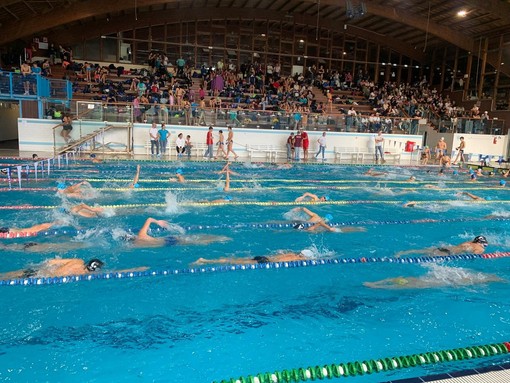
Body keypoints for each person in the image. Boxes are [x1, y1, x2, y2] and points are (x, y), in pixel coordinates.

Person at [0, 258, 148, 280]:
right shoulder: (82, 274)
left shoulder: (78, 261)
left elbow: (52, 261)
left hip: (36, 271)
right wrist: (137, 269)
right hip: (38, 277)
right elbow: (113, 273)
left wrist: (41, 266)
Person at [131, 217, 231, 248]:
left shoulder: (136, 245)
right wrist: (158, 222)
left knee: (195, 241)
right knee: (195, 237)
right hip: (169, 239)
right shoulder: (141, 234)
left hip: (168, 243)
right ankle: (219, 238)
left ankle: (217, 239)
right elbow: (149, 219)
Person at [363, 269, 503, 290]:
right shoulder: (417, 283)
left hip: (444, 280)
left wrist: (376, 285)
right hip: (446, 280)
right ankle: (376, 285)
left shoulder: (413, 281)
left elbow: (393, 282)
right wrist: (376, 285)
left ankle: (376, 285)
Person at [191, 249, 318, 266]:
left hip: (264, 256)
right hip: (265, 261)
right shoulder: (297, 259)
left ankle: (209, 260)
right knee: (234, 262)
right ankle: (205, 260)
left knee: (235, 260)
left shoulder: (292, 253)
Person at [394, 235, 489, 258]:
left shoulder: (468, 242)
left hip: (446, 247)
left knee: (422, 251)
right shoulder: (479, 248)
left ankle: (402, 253)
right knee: (427, 258)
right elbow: (474, 256)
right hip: (449, 253)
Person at [290, 207, 365, 233]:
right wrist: (329, 228)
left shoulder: (316, 216)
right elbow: (319, 223)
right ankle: (357, 229)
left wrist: (299, 208)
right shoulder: (320, 221)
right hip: (303, 227)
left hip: (301, 225)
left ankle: (357, 229)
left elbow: (304, 208)